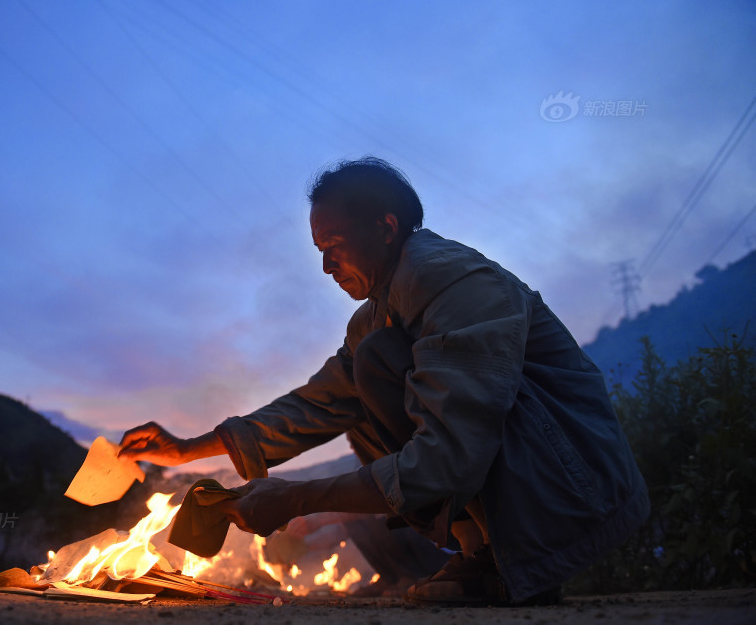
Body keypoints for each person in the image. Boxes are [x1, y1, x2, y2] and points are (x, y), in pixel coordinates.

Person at [119, 157, 649, 605]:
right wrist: (187, 450)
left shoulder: (456, 282)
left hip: (575, 487)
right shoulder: (376, 317)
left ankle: (510, 554)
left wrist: (293, 499)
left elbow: (448, 455)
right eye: (319, 251)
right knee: (368, 371)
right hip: (532, 482)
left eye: (333, 245)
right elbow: (313, 405)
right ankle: (486, 551)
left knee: (380, 370)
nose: (326, 266)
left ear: (386, 228)